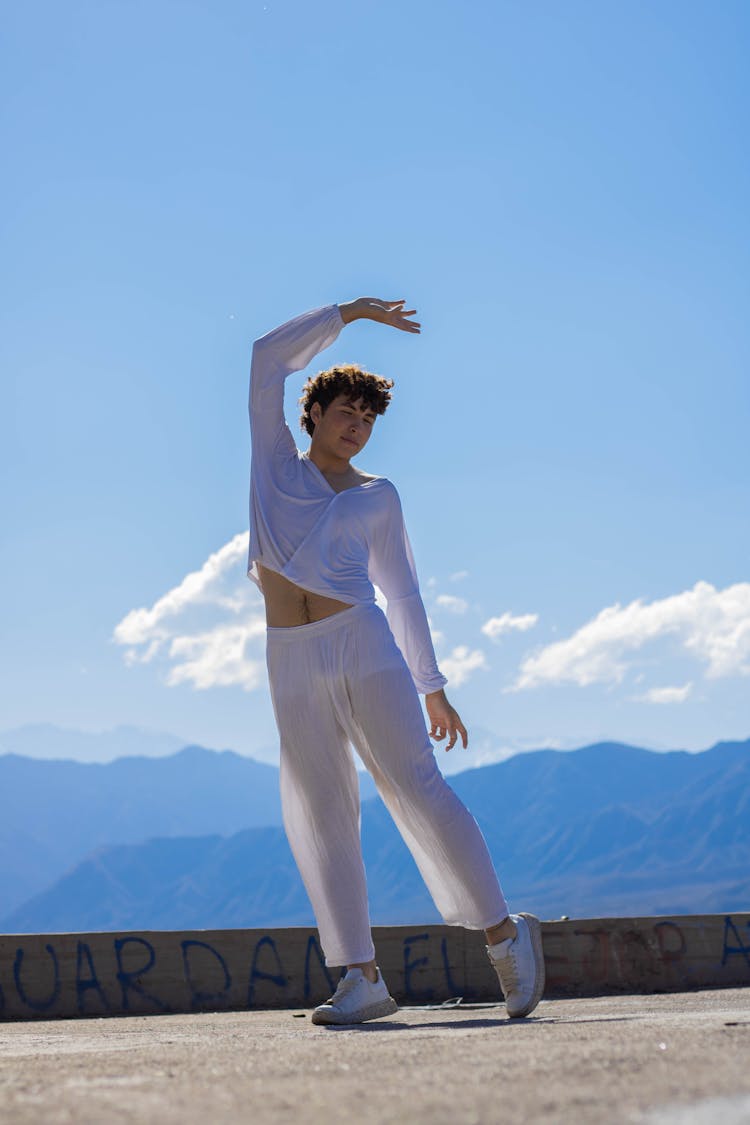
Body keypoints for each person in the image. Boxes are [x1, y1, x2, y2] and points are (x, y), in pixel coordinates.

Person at [247, 295, 545, 1025]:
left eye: (368, 418)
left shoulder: (379, 497)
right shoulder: (273, 463)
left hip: (364, 645)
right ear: (311, 412)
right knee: (319, 810)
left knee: (417, 785)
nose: (357, 426)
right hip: (290, 656)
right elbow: (263, 358)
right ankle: (360, 975)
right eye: (346, 410)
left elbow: (403, 592)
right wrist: (347, 314)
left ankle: (506, 937)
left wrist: (432, 686)